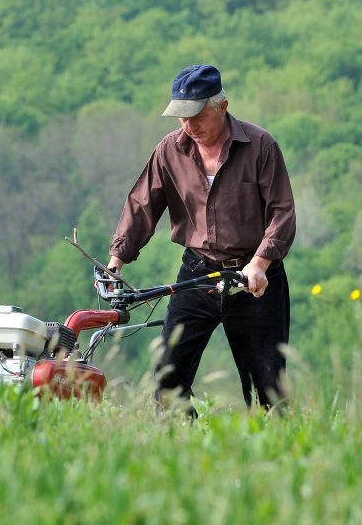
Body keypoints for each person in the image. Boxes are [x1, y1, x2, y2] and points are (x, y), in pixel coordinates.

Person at [106, 64, 296, 411]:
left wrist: (259, 263)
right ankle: (182, 446)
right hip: (197, 273)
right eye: (181, 117)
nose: (188, 126)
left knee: (266, 389)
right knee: (166, 379)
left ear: (221, 107)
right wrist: (117, 258)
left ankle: (271, 453)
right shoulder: (169, 151)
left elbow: (282, 214)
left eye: (196, 116)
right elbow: (142, 203)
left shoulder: (260, 146)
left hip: (254, 279)